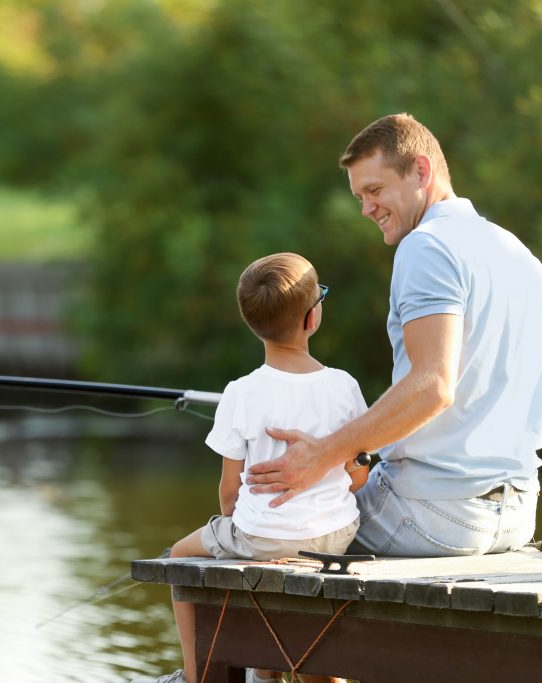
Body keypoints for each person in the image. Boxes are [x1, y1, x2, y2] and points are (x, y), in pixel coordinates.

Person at [246, 113, 542, 557]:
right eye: (359, 196)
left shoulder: (427, 245)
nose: (366, 208)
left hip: (432, 516)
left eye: (374, 191)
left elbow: (433, 386)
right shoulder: (522, 258)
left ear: (421, 171)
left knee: (264, 527)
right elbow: (541, 407)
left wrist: (324, 455)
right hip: (517, 517)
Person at [133, 252, 369, 683]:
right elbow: (359, 476)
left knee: (181, 558)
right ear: (312, 318)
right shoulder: (344, 386)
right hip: (336, 537)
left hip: (261, 536)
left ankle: (195, 675)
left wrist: (241, 529)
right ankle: (282, 673)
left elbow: (228, 493)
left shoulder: (240, 393)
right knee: (295, 601)